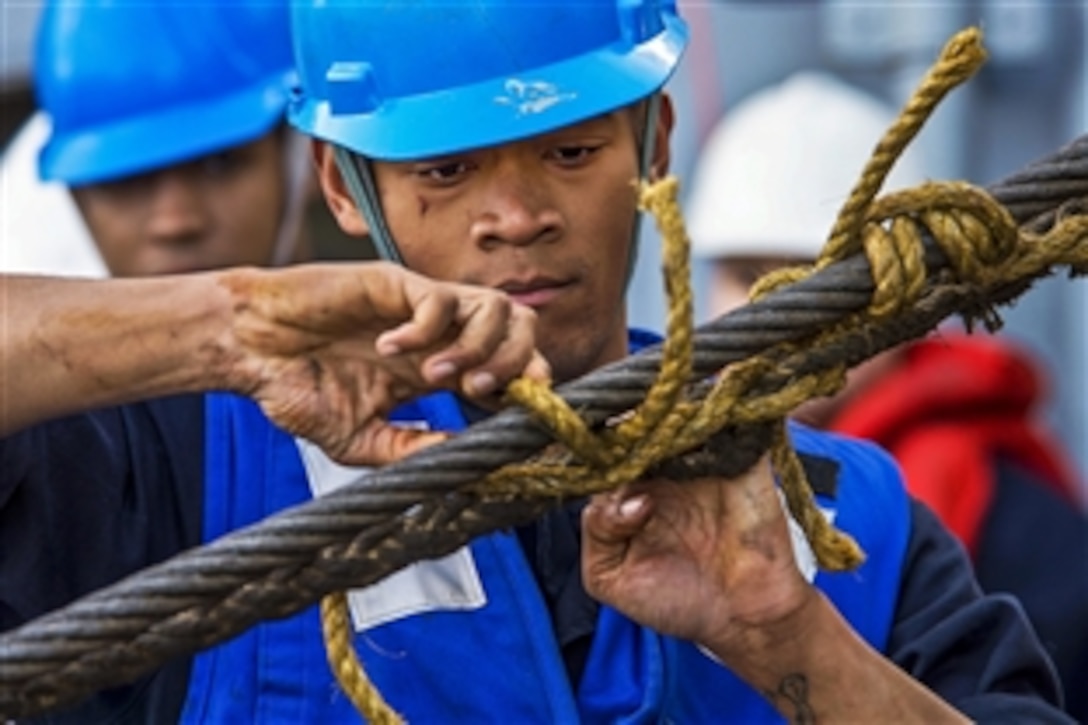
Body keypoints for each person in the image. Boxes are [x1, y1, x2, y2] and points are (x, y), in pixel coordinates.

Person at [0, 4, 1072, 724]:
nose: (514, 217)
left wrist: (785, 633)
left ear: (651, 142)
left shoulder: (844, 523)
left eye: (569, 150)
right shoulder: (180, 468)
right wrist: (227, 321)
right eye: (447, 169)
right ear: (340, 186)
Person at [688, 69, 1088, 721]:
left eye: (833, 282)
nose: (789, 313)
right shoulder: (649, 488)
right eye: (751, 276)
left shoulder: (1023, 528)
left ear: (913, 295)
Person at [0, 0, 312, 279]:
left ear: (303, 155)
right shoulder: (19, 266)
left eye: (219, 164)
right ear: (75, 196)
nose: (175, 223)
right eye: (124, 178)